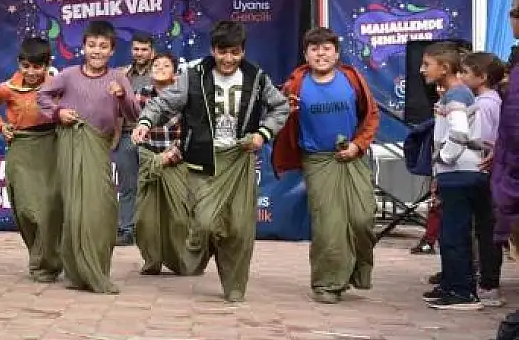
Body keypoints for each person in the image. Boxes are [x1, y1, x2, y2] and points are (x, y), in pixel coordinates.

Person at [132, 21, 289, 302]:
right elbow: (162, 103)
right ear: (212, 50)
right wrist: (145, 121)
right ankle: (199, 254)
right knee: (204, 224)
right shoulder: (195, 76)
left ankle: (234, 285)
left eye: (235, 52)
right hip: (204, 159)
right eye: (222, 51)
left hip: (239, 159)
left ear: (243, 51)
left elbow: (280, 106)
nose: (228, 59)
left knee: (240, 228)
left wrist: (263, 134)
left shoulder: (256, 78)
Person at [271, 27, 380, 304]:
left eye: (326, 48)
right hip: (318, 161)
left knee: (362, 219)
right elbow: (276, 116)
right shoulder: (295, 84)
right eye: (314, 49)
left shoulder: (352, 79)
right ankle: (327, 284)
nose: (321, 53)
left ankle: (356, 271)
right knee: (328, 226)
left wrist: (358, 145)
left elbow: (371, 117)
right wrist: (285, 110)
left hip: (353, 157)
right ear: (305, 54)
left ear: (337, 53)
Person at [36, 20, 140, 294]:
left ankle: (97, 267)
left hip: (101, 148)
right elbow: (43, 96)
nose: (97, 51)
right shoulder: (68, 75)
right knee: (74, 208)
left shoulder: (118, 78)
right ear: (82, 47)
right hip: (70, 146)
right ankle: (77, 270)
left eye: (103, 46)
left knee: (102, 209)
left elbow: (134, 115)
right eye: (92, 45)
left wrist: (123, 98)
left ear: (112, 50)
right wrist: (59, 113)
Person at [0, 37, 60, 282]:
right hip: (21, 148)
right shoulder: (8, 88)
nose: (32, 72)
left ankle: (47, 263)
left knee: (49, 209)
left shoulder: (56, 85)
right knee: (27, 210)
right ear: (19, 64)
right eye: (26, 66)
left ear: (47, 65)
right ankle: (38, 255)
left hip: (51, 146)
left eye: (38, 67)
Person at [419, 42, 489, 310]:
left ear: (444, 68)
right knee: (452, 233)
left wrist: (443, 158)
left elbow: (459, 133)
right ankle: (453, 285)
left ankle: (461, 292)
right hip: (458, 173)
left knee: (454, 234)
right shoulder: (454, 93)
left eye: (427, 65)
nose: (422, 70)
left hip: (460, 173)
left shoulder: (456, 96)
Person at [134, 52, 204, 277]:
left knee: (178, 217)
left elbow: (191, 131)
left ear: (175, 72)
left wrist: (171, 155)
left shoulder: (185, 96)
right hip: (149, 159)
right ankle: (151, 261)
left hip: (176, 160)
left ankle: (182, 261)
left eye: (166, 65)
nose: (160, 68)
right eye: (156, 64)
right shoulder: (142, 95)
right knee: (145, 219)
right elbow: (136, 122)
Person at [462, 51, 506, 307]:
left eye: (466, 72)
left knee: (487, 228)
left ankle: (489, 283)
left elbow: (484, 140)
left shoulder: (485, 105)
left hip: (485, 172)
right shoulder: (491, 102)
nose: (462, 76)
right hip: (490, 172)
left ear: (482, 77)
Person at [115, 32, 155, 246]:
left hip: (154, 136)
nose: (139, 53)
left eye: (144, 49)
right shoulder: (122, 74)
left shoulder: (160, 72)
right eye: (136, 49)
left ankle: (151, 230)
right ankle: (127, 229)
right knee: (128, 185)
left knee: (153, 185)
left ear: (152, 51)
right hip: (126, 135)